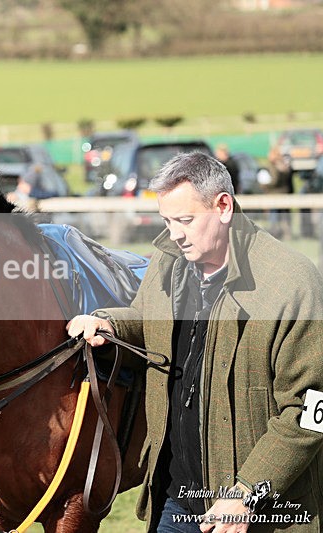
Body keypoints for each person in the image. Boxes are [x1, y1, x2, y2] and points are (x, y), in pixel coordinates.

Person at [67, 152, 323, 533]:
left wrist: (247, 493)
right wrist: (107, 322)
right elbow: (149, 321)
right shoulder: (168, 262)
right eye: (167, 221)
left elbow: (309, 410)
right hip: (175, 499)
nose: (174, 234)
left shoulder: (292, 283)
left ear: (223, 206)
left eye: (185, 220)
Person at [263, 145, 294, 240]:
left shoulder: (273, 166)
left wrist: (264, 185)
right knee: (285, 216)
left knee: (274, 216)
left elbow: (274, 180)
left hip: (274, 195)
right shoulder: (285, 165)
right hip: (285, 194)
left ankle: (274, 234)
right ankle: (287, 234)